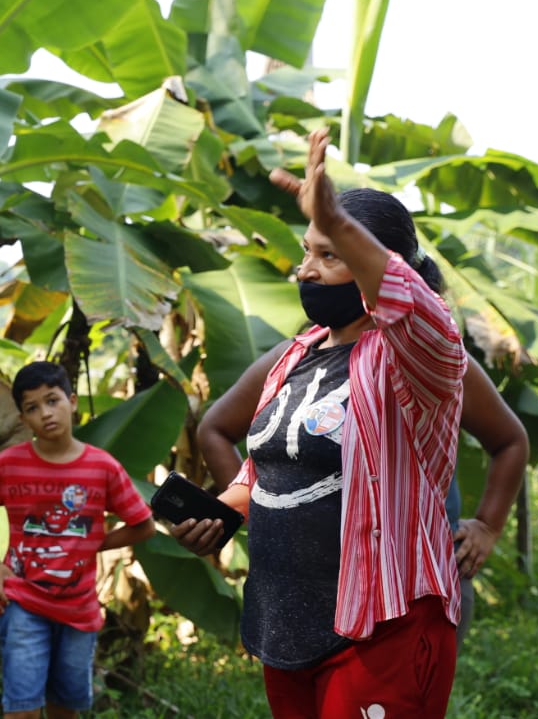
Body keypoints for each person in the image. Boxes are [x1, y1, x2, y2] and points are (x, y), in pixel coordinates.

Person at [171, 128, 467, 718]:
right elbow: (270, 466)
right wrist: (225, 509)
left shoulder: (414, 359)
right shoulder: (295, 355)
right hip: (288, 624)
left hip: (381, 628)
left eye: (328, 254)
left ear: (373, 263)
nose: (306, 270)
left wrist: (337, 217)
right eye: (307, 250)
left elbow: (415, 308)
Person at [0, 361, 156, 719]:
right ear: (23, 420)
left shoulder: (103, 467)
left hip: (79, 609)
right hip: (22, 601)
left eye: (52, 401)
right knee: (21, 710)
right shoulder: (10, 464)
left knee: (64, 709)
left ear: (72, 401)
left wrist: (96, 542)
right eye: (32, 408)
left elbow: (142, 524)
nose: (46, 414)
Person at [448, 358, 529, 646]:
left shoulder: (438, 355)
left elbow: (511, 441)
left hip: (426, 588)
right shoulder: (305, 351)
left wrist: (487, 526)